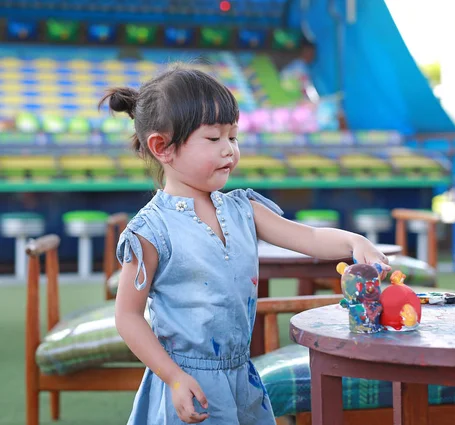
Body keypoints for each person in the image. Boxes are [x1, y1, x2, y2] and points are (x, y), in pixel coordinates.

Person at [100, 64, 391, 425]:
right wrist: (173, 377)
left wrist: (354, 241)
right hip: (189, 387)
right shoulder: (151, 230)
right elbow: (128, 316)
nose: (229, 151)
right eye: (213, 139)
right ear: (163, 147)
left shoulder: (242, 208)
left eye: (233, 137)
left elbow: (310, 238)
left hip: (241, 377)